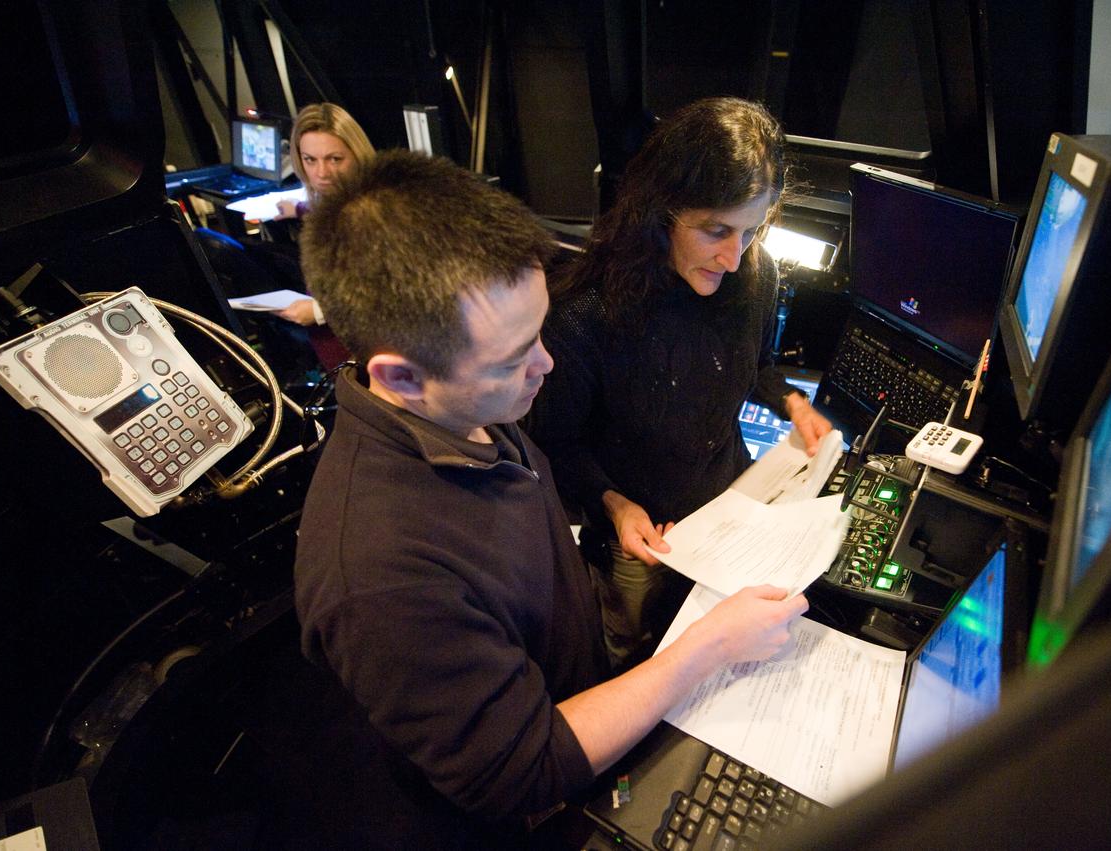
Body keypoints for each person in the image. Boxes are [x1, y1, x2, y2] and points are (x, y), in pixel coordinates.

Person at [293, 150, 809, 838]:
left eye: (538, 332)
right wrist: (708, 647)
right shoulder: (379, 576)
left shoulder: (464, 412)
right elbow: (526, 767)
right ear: (403, 377)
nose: (547, 364)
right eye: (514, 358)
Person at [526, 97, 833, 664]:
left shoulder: (754, 272)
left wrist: (791, 401)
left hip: (731, 507)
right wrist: (615, 504)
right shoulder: (584, 316)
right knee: (641, 661)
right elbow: (553, 445)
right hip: (641, 543)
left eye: (750, 231)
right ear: (658, 212)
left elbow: (754, 362)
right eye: (715, 230)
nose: (734, 258)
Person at [272, 102, 376, 327]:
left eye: (335, 159)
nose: (322, 173)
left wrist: (319, 311)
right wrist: (299, 208)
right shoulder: (330, 202)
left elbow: (385, 295)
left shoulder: (374, 215)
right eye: (310, 160)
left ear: (358, 155)